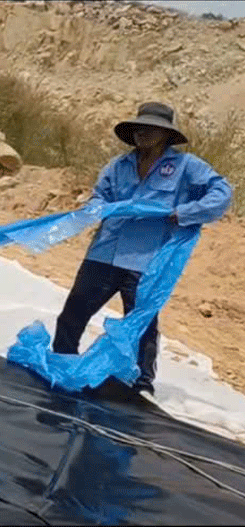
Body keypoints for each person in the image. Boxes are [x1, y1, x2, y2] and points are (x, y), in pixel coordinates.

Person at [52, 102, 234, 395]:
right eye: (138, 128)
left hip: (146, 261)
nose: (142, 133)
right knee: (72, 314)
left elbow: (222, 193)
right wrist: (97, 208)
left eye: (150, 128)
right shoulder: (118, 166)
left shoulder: (186, 166)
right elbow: (100, 195)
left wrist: (184, 213)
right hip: (104, 253)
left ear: (165, 134)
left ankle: (140, 384)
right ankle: (62, 365)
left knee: (142, 324)